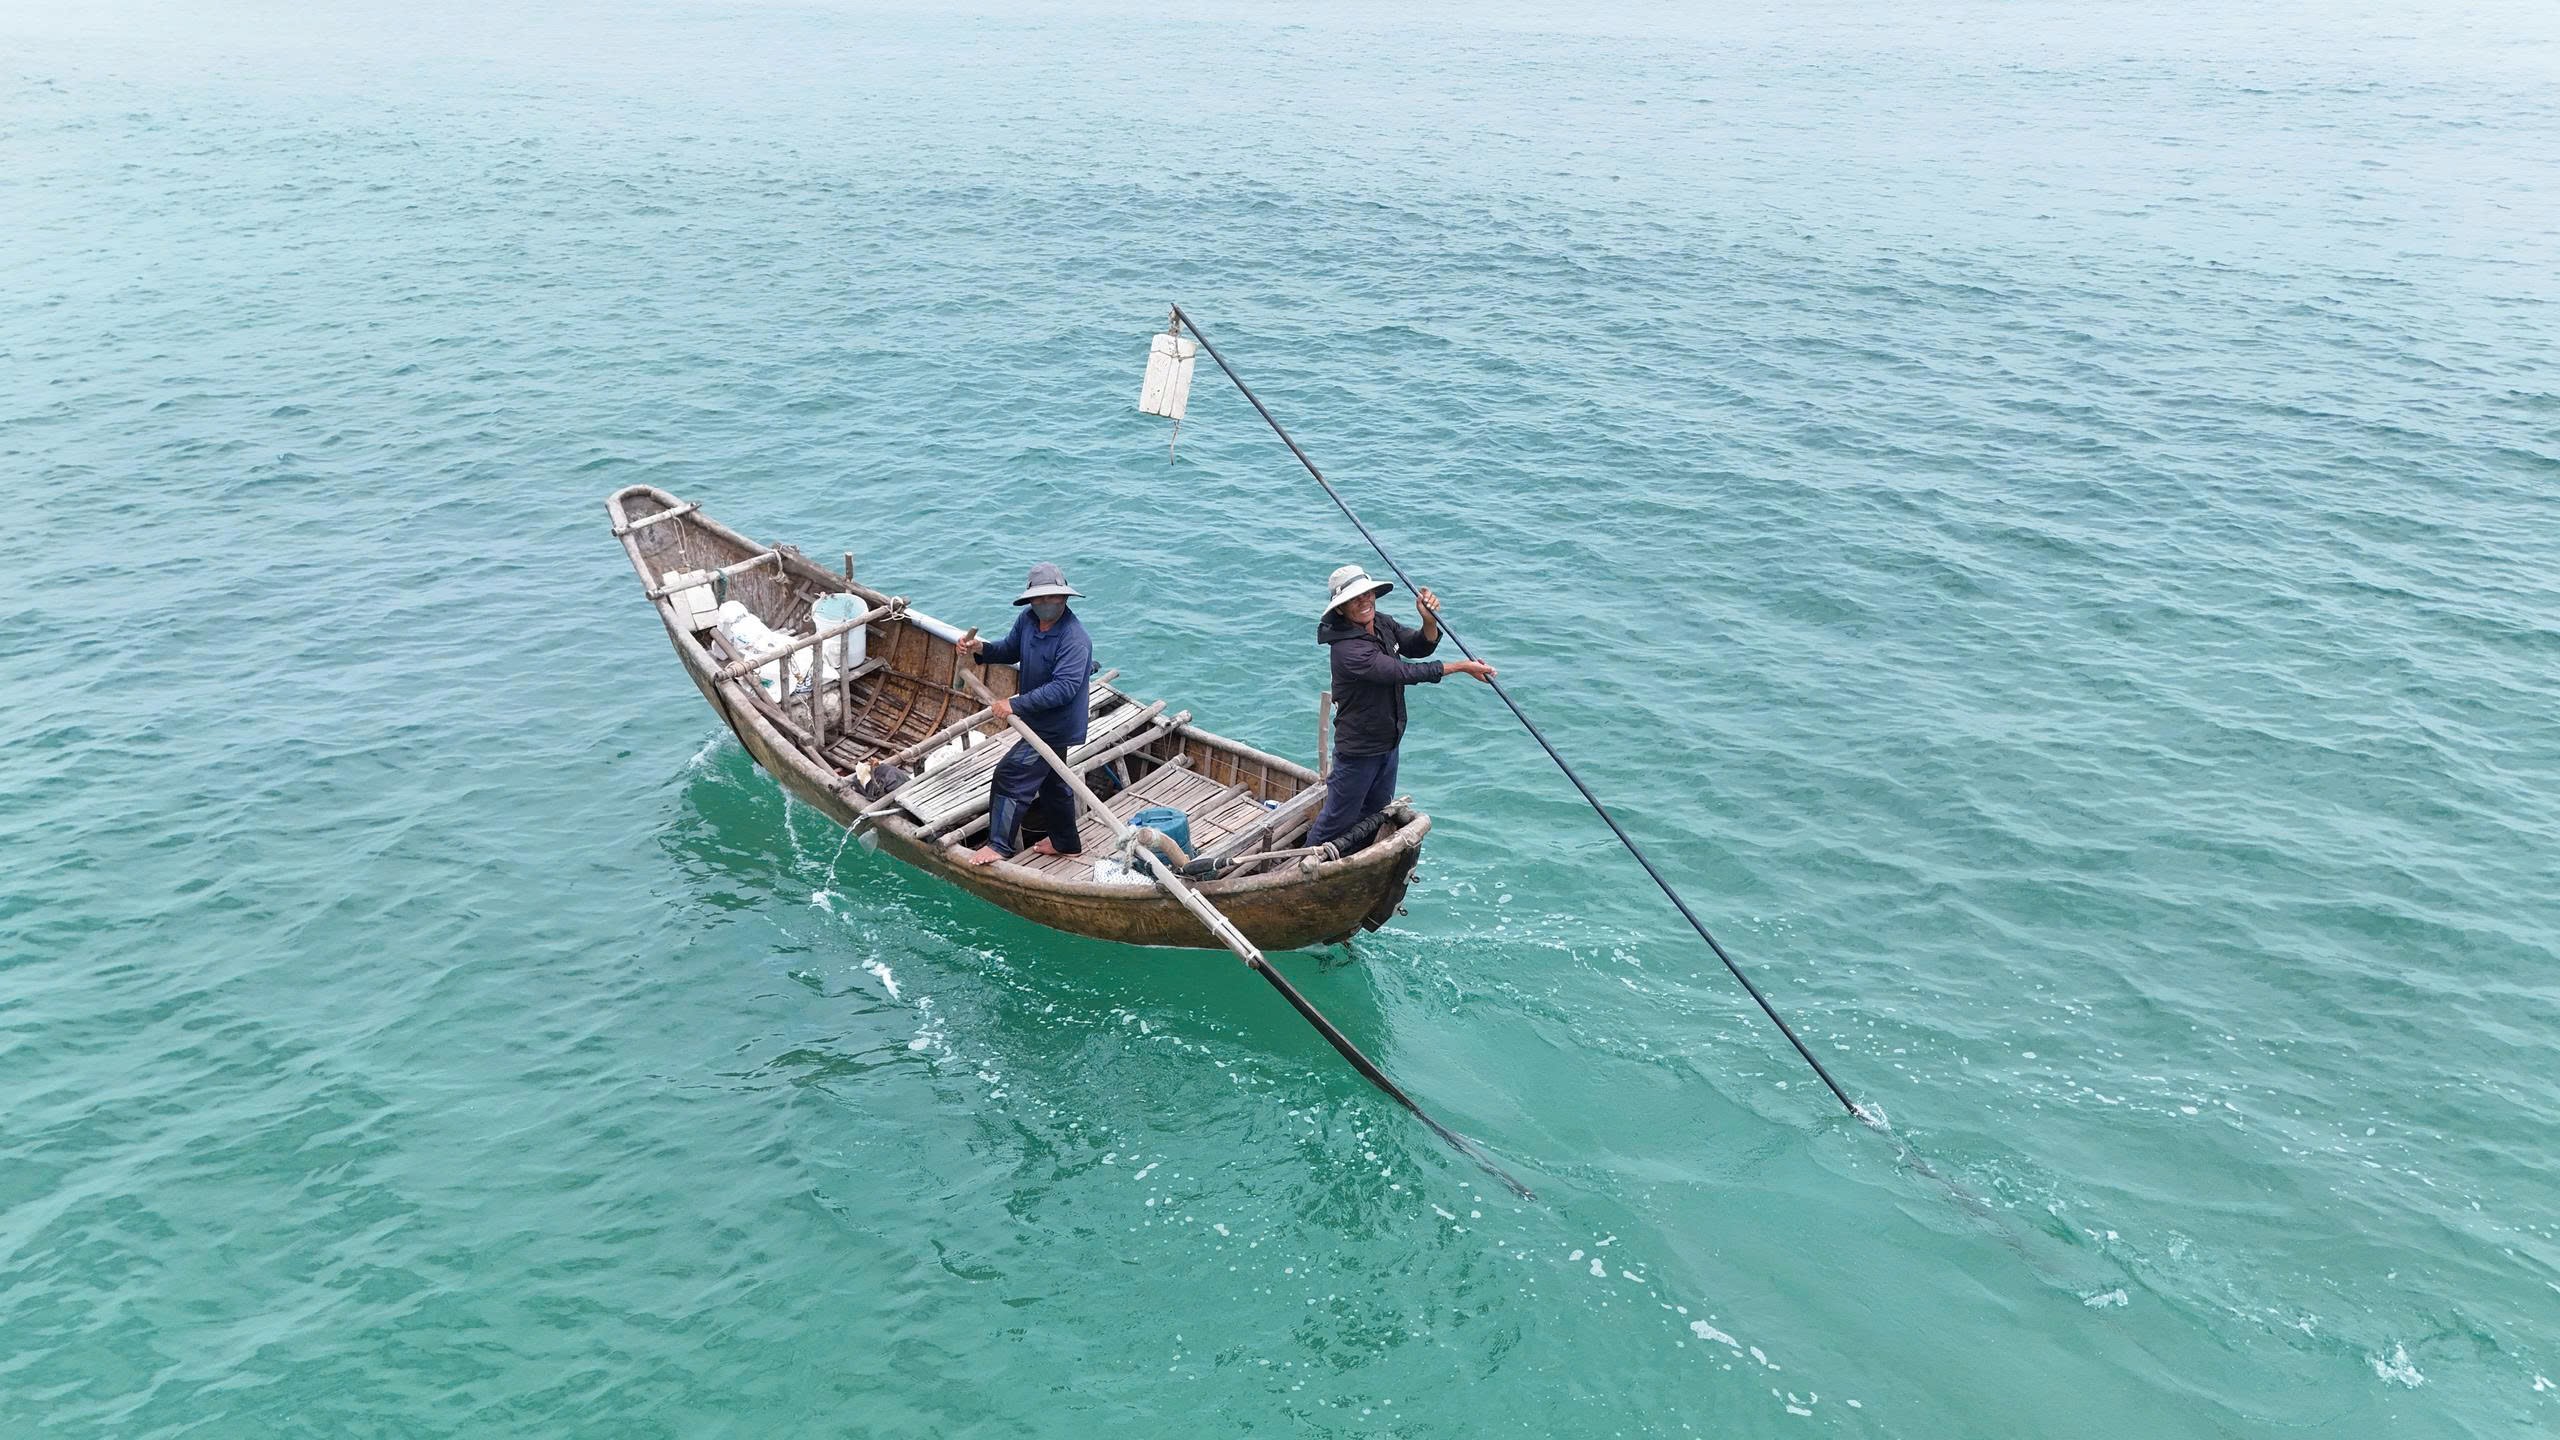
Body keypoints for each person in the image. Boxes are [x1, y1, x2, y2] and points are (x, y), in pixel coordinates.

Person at [1310, 563, 1495, 849]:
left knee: (1373, 814)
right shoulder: (1348, 651)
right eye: (1354, 599)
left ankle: (1352, 861)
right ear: (1341, 609)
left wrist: (1428, 621)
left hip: (1389, 742)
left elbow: (1417, 646)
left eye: (1367, 594)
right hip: (1359, 750)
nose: (1364, 601)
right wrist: (1461, 667)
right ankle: (1301, 864)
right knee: (1336, 820)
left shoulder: (1381, 623)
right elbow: (1403, 672)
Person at [960, 563, 1095, 865]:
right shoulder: (1028, 620)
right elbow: (1010, 650)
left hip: (1056, 725)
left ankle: (999, 845)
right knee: (1053, 782)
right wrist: (979, 648)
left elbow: (1063, 689)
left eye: (1053, 597)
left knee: (1010, 776)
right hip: (1038, 717)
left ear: (1065, 598)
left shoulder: (1075, 639)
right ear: (1031, 600)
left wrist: (1014, 704)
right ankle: (1066, 843)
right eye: (1040, 598)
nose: (1046, 603)